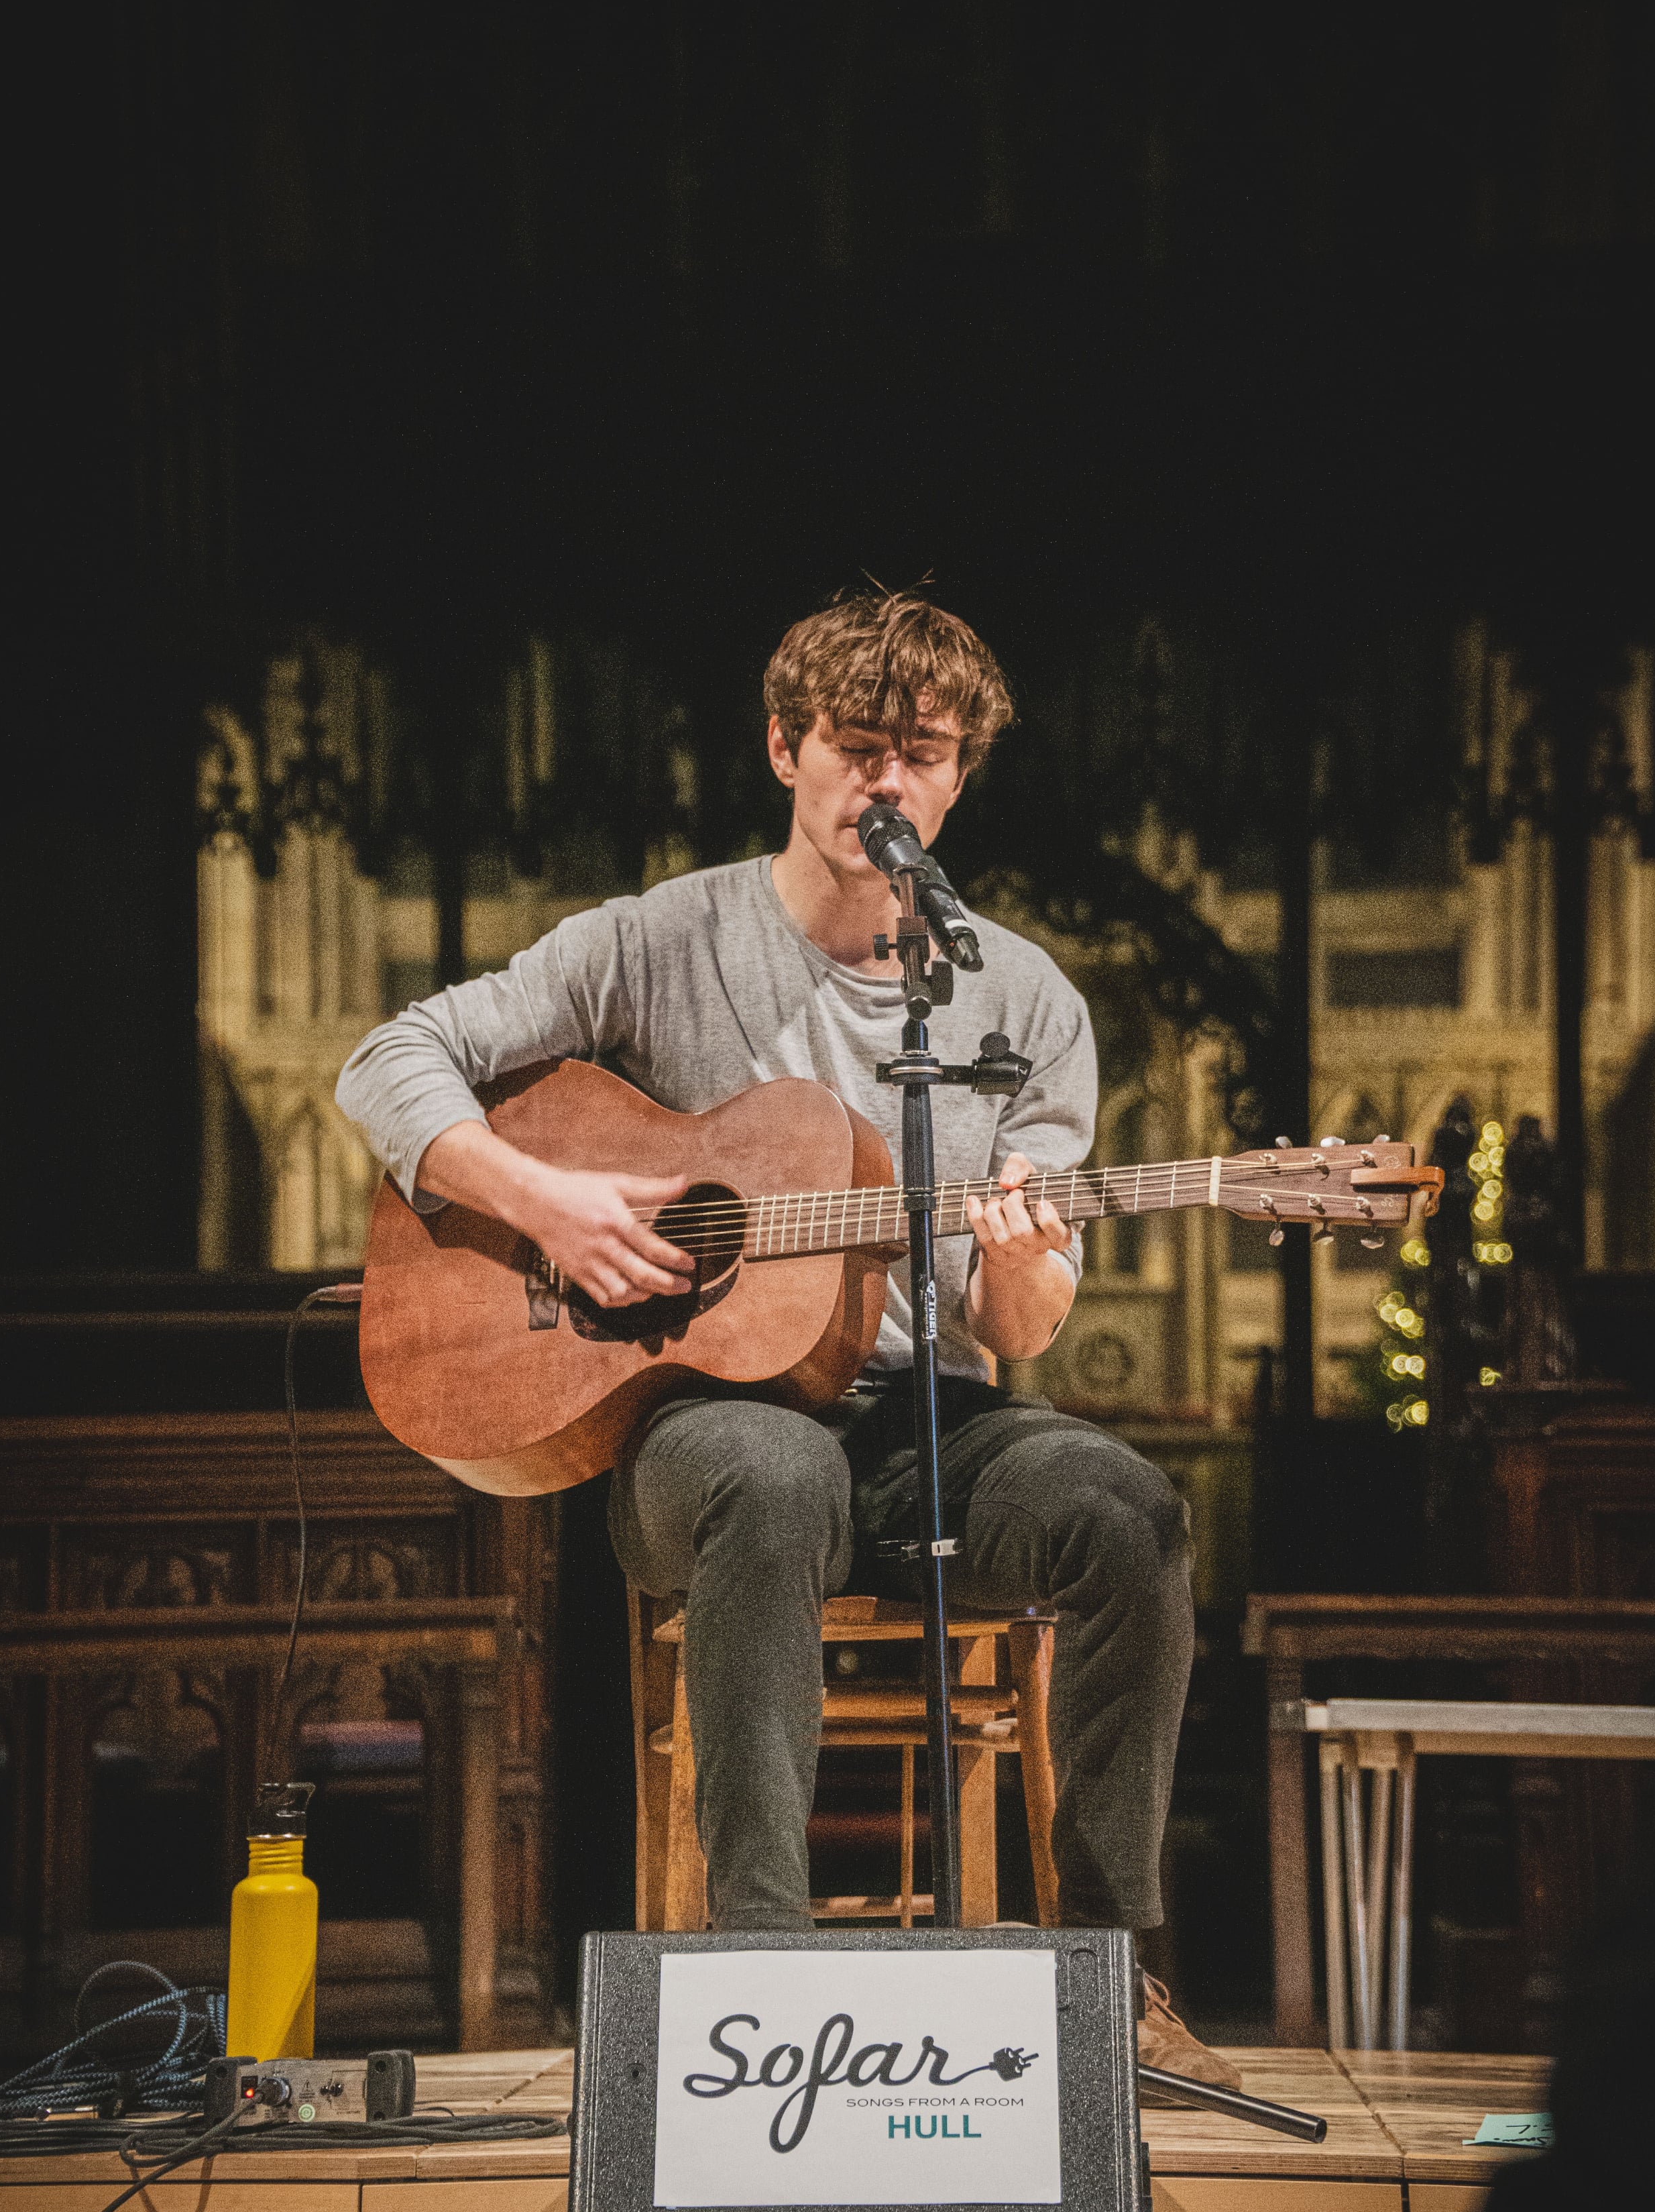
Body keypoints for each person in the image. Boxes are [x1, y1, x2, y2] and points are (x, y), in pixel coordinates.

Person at [338, 588, 1235, 2087]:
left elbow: (1015, 1321)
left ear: (960, 778)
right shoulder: (657, 940)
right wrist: (548, 1204)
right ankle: (762, 1975)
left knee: (1129, 1515)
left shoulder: (1019, 998)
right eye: (857, 745)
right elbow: (391, 1058)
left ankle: (1113, 1975)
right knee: (771, 1469)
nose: (887, 782)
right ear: (786, 747)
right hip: (697, 1439)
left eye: (922, 754)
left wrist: (1019, 1263)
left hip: (930, 1423)